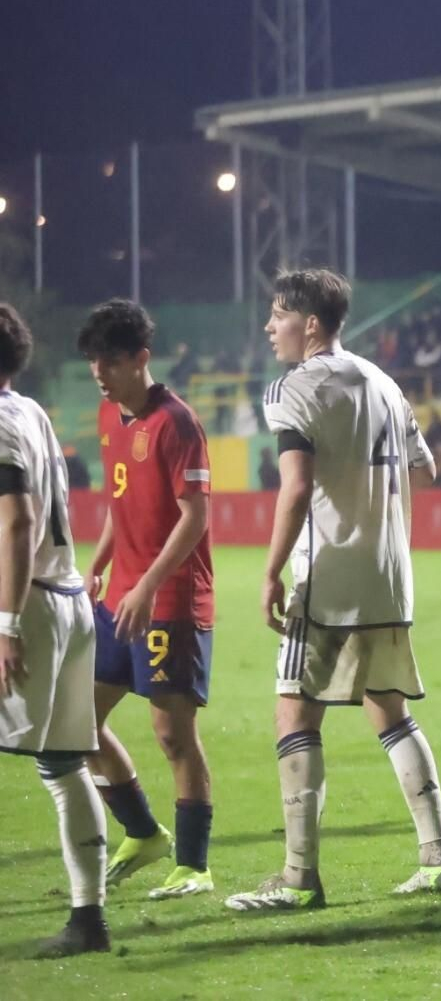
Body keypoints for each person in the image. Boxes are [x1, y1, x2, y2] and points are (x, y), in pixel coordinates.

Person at [226, 269, 441, 912]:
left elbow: (297, 486)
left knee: (294, 713)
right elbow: (425, 471)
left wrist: (271, 571)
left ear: (310, 324)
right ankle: (436, 860)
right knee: (390, 710)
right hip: (388, 577)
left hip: (328, 577)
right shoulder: (382, 382)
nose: (270, 327)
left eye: (278, 315)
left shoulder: (294, 388)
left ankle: (299, 878)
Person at [78, 300, 217, 900]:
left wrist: (147, 584)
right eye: (93, 361)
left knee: (172, 734)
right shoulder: (111, 417)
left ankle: (194, 866)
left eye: (109, 361)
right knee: (77, 722)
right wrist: (99, 565)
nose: (98, 373)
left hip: (170, 600)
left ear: (141, 358)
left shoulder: (176, 422)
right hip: (121, 598)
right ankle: (142, 832)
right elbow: (121, 503)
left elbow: (195, 517)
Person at [0, 303, 110, 956]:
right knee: (65, 767)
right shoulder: (31, 412)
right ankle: (88, 919)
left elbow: (16, 522)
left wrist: (6, 624)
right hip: (68, 598)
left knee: (63, 768)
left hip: (29, 608)